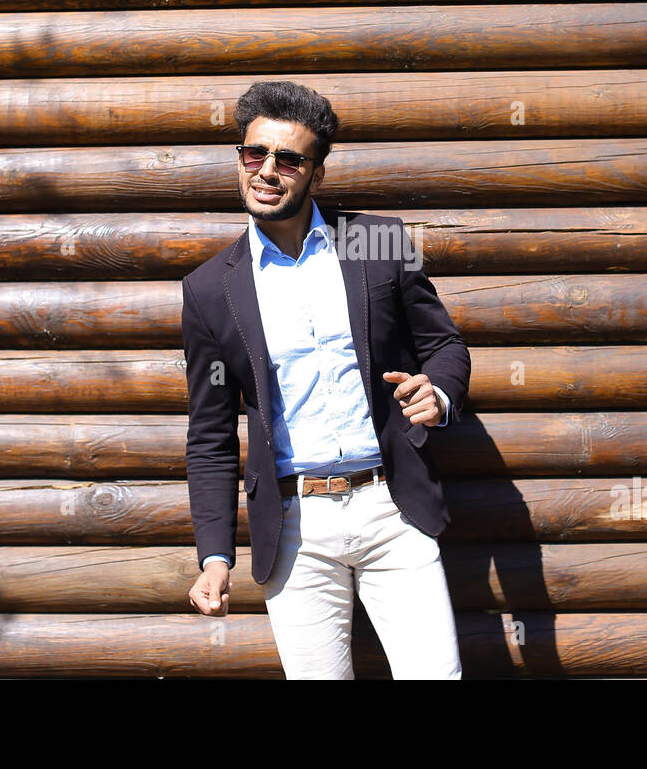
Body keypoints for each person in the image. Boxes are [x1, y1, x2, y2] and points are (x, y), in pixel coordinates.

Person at [181, 80, 471, 679]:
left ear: (317, 173)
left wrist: (437, 394)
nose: (266, 171)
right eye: (253, 154)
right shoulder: (211, 289)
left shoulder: (377, 239)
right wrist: (214, 554)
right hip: (295, 527)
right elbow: (210, 435)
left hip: (393, 510)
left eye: (288, 159)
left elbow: (443, 344)